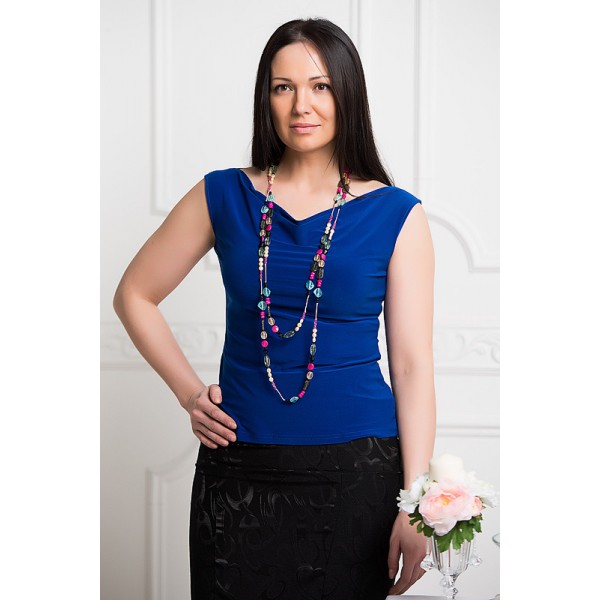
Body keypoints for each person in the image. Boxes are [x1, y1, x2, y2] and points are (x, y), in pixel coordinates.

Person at [114, 17, 436, 600]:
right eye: (283, 87)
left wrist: (415, 502)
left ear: (347, 94)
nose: (300, 105)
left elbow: (411, 366)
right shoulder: (221, 193)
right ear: (266, 98)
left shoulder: (398, 214)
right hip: (238, 466)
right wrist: (190, 394)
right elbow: (134, 294)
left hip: (357, 472)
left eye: (320, 86)